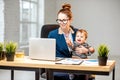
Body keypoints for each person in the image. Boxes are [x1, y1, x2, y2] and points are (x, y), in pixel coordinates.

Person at [48, 3, 94, 80]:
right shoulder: (52, 34)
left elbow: (89, 48)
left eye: (64, 20)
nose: (61, 23)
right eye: (59, 20)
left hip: (77, 64)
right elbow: (48, 53)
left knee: (85, 74)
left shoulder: (77, 33)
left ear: (70, 20)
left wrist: (87, 50)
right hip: (60, 67)